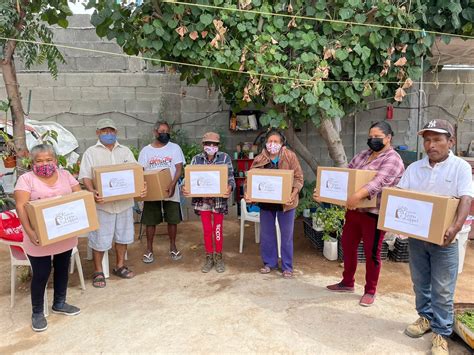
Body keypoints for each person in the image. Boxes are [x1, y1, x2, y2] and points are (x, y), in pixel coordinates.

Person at [398, 119, 472, 355]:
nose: (431, 145)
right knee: (420, 283)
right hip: (417, 239)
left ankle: (441, 332)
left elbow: (466, 199)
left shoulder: (460, 167)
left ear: (451, 141)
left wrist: (455, 227)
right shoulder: (414, 168)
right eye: (427, 140)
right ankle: (425, 318)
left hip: (445, 240)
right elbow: (400, 194)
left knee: (442, 288)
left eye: (437, 139)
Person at [316, 121, 405, 307]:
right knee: (348, 246)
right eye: (370, 137)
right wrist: (324, 192)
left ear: (388, 138)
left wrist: (356, 195)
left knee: (372, 254)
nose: (373, 140)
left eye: (377, 137)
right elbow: (346, 176)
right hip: (354, 212)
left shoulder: (393, 159)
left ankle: (370, 290)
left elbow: (379, 182)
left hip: (374, 214)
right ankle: (347, 282)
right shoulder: (363, 155)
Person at [15, 144, 81, 332]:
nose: (45, 164)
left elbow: (79, 197)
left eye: (49, 160)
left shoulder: (66, 176)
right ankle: (37, 312)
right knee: (41, 273)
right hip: (39, 237)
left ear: (55, 160)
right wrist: (30, 232)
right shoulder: (26, 180)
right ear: (32, 162)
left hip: (64, 234)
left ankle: (59, 303)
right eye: (39, 161)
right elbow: (21, 207)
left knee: (62, 268)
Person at [78, 118, 145, 288]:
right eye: (104, 131)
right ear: (98, 133)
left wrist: (141, 187)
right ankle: (98, 271)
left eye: (111, 131)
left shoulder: (125, 151)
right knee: (100, 238)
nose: (108, 134)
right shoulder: (91, 153)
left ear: (116, 132)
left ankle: (120, 265)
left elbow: (135, 171)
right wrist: (92, 191)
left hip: (123, 203)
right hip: (103, 205)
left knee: (123, 236)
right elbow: (85, 176)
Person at [245, 130, 304, 278]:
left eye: (276, 142)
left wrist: (293, 194)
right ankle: (269, 263)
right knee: (267, 235)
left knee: (287, 236)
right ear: (265, 143)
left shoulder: (290, 156)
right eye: (270, 141)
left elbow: (298, 178)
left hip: (287, 204)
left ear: (282, 143)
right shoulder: (259, 159)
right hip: (266, 203)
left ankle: (287, 267)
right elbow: (250, 180)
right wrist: (249, 194)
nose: (273, 144)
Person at [182, 132, 235, 273]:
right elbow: (187, 178)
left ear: (218, 145)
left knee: (217, 230)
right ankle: (209, 257)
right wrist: (184, 187)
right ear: (203, 145)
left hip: (219, 201)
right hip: (203, 200)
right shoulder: (196, 159)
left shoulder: (224, 158)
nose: (211, 146)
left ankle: (219, 257)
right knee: (207, 230)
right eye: (208, 144)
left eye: (214, 144)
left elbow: (230, 178)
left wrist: (229, 188)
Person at [138, 120, 185, 263]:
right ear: (155, 132)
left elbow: (178, 168)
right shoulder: (146, 151)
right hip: (152, 191)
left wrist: (172, 184)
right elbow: (140, 171)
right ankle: (149, 249)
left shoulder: (174, 148)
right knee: (150, 221)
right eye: (162, 132)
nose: (164, 134)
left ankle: (172, 246)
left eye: (167, 132)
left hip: (170, 188)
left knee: (172, 219)